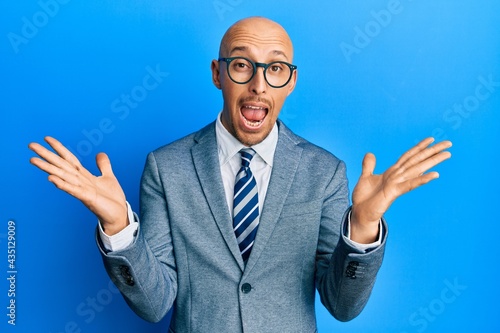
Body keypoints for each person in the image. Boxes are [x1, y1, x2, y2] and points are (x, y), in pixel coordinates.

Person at [29, 17, 452, 333]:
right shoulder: (166, 167)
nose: (258, 85)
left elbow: (341, 306)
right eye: (242, 66)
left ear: (290, 82)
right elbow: (155, 303)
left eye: (275, 69)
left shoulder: (324, 173)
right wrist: (118, 227)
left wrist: (361, 227)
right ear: (218, 74)